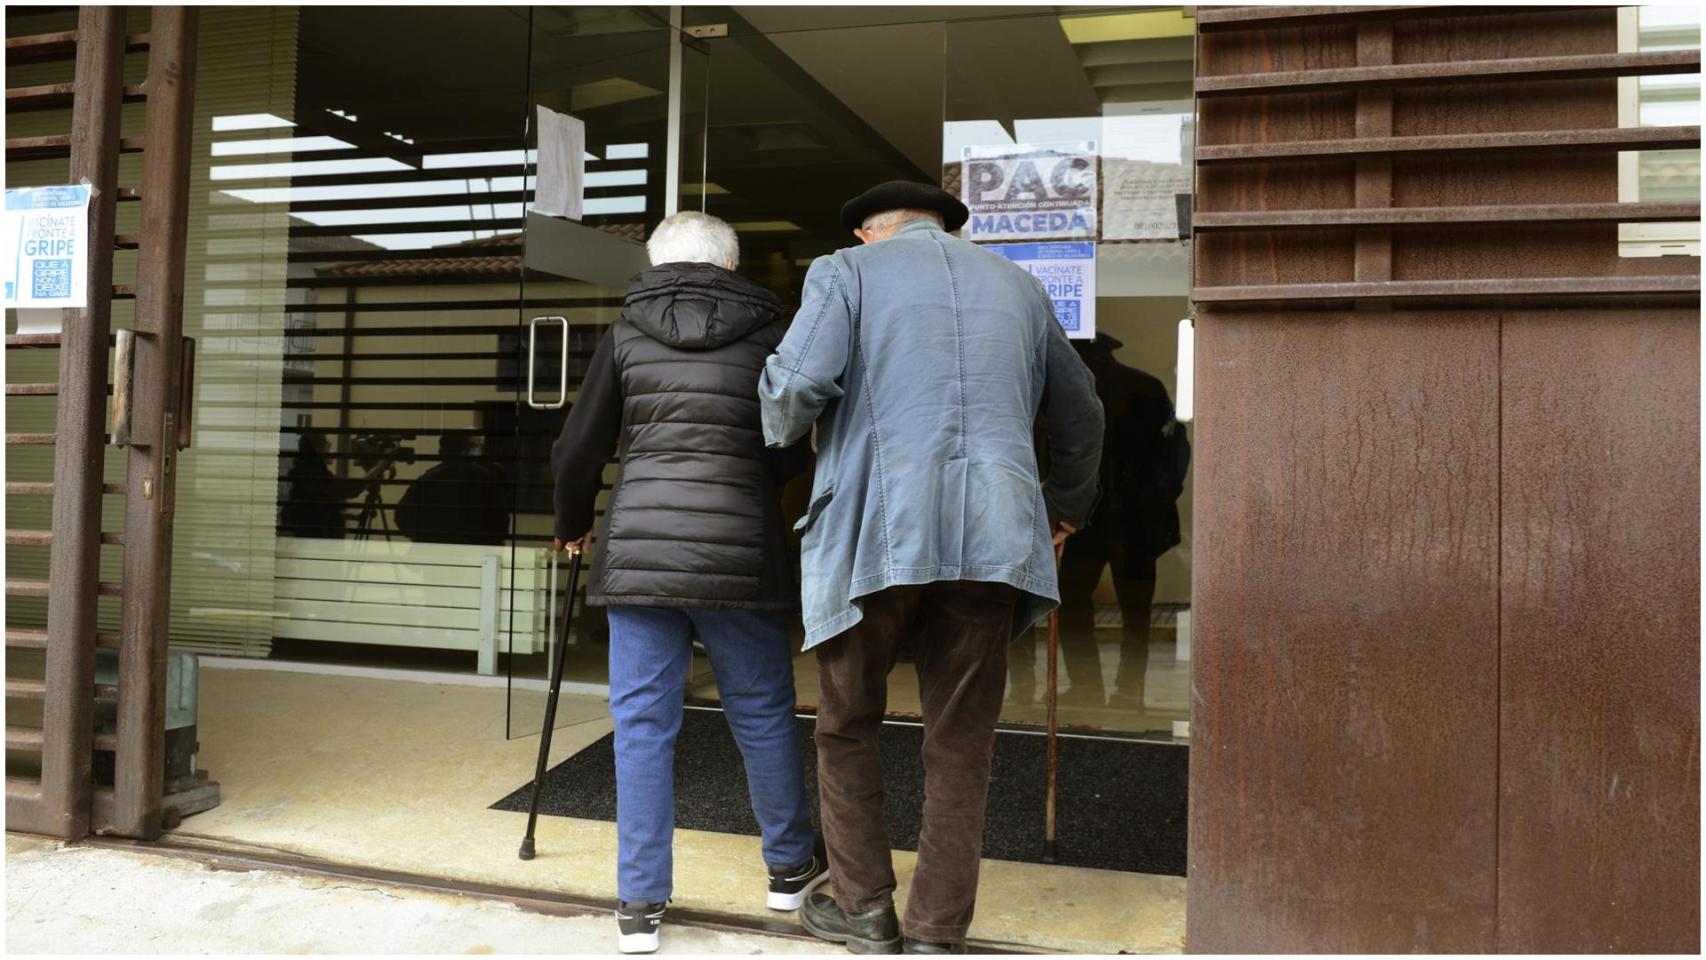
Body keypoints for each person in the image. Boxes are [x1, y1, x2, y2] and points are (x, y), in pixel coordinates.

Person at [759, 181, 1104, 954]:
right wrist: (1065, 509)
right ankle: (936, 928)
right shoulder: (1018, 285)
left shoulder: (844, 273)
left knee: (847, 723)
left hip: (872, 535)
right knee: (961, 739)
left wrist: (779, 416)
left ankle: (864, 910)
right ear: (947, 229)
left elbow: (794, 392)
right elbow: (1082, 410)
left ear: (865, 233)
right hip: (994, 537)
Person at [550, 210, 824, 955]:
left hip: (640, 551)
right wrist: (756, 480)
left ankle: (638, 903)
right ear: (731, 265)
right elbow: (789, 443)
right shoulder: (774, 334)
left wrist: (574, 522)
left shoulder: (627, 333)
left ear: (656, 261)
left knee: (642, 724)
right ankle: (789, 869)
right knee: (762, 712)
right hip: (739, 551)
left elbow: (578, 447)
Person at [1011, 334, 1189, 716]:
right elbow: (1175, 455)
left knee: (1076, 604)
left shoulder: (1060, 397)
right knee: (1134, 612)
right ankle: (1127, 690)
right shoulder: (1146, 387)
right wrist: (1158, 501)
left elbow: (1044, 457)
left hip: (1084, 521)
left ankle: (1086, 684)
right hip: (1133, 520)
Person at [393, 430, 509, 545]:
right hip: (475, 554)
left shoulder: (428, 480)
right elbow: (500, 522)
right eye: (475, 446)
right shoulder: (484, 479)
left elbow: (403, 518)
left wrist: (428, 540)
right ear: (466, 450)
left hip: (434, 553)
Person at [277, 431, 388, 539]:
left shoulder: (305, 473)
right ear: (318, 452)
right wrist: (382, 465)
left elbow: (318, 510)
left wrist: (350, 517)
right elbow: (350, 488)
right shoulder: (317, 477)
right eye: (328, 449)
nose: (332, 453)